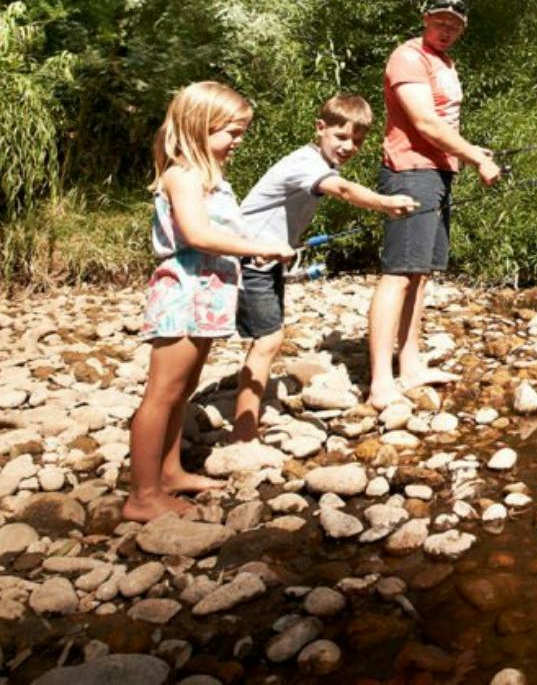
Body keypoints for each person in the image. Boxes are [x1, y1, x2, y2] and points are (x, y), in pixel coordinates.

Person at [126, 82, 294, 521]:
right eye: (231, 133)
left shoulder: (213, 180)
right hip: (183, 294)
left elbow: (221, 234)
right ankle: (142, 495)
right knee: (161, 395)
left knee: (182, 393)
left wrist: (252, 245)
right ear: (199, 129)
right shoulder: (182, 175)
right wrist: (262, 248)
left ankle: (170, 473)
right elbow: (197, 235)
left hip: (209, 296)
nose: (238, 141)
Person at [230, 93, 418, 442]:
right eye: (341, 137)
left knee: (264, 337)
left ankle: (244, 416)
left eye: (357, 141)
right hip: (249, 257)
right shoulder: (306, 163)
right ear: (320, 128)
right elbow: (343, 190)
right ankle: (243, 433)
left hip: (264, 257)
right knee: (268, 340)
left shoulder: (317, 163)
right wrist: (384, 203)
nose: (349, 146)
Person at [368, 0, 500, 407]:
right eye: (441, 20)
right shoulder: (408, 57)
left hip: (439, 172)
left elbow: (442, 124)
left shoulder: (446, 63)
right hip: (410, 171)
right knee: (398, 272)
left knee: (420, 273)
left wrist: (466, 151)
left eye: (455, 24)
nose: (447, 29)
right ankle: (379, 383)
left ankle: (409, 366)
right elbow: (424, 122)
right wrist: (476, 155)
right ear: (426, 19)